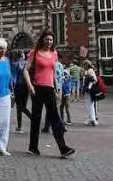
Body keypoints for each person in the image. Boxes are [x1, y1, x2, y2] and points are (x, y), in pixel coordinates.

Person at [24, 30, 75, 158]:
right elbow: (25, 70)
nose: (49, 42)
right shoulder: (34, 53)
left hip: (50, 88)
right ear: (42, 40)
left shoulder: (54, 54)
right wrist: (30, 86)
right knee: (36, 119)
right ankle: (33, 147)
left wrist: (57, 86)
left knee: (54, 118)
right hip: (37, 88)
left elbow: (53, 72)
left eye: (51, 40)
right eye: (47, 39)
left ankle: (63, 148)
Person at [10, 50, 30, 133]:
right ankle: (33, 118)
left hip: (18, 87)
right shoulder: (27, 63)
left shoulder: (15, 64)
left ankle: (19, 127)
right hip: (26, 87)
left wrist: (11, 88)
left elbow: (13, 78)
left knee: (19, 107)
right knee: (24, 106)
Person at [81, 59, 99, 126]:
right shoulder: (89, 71)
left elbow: (94, 80)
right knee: (90, 104)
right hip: (89, 90)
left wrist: (89, 87)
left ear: (86, 65)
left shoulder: (89, 71)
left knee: (90, 105)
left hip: (89, 90)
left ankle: (92, 119)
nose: (83, 66)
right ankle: (91, 119)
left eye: (83, 65)